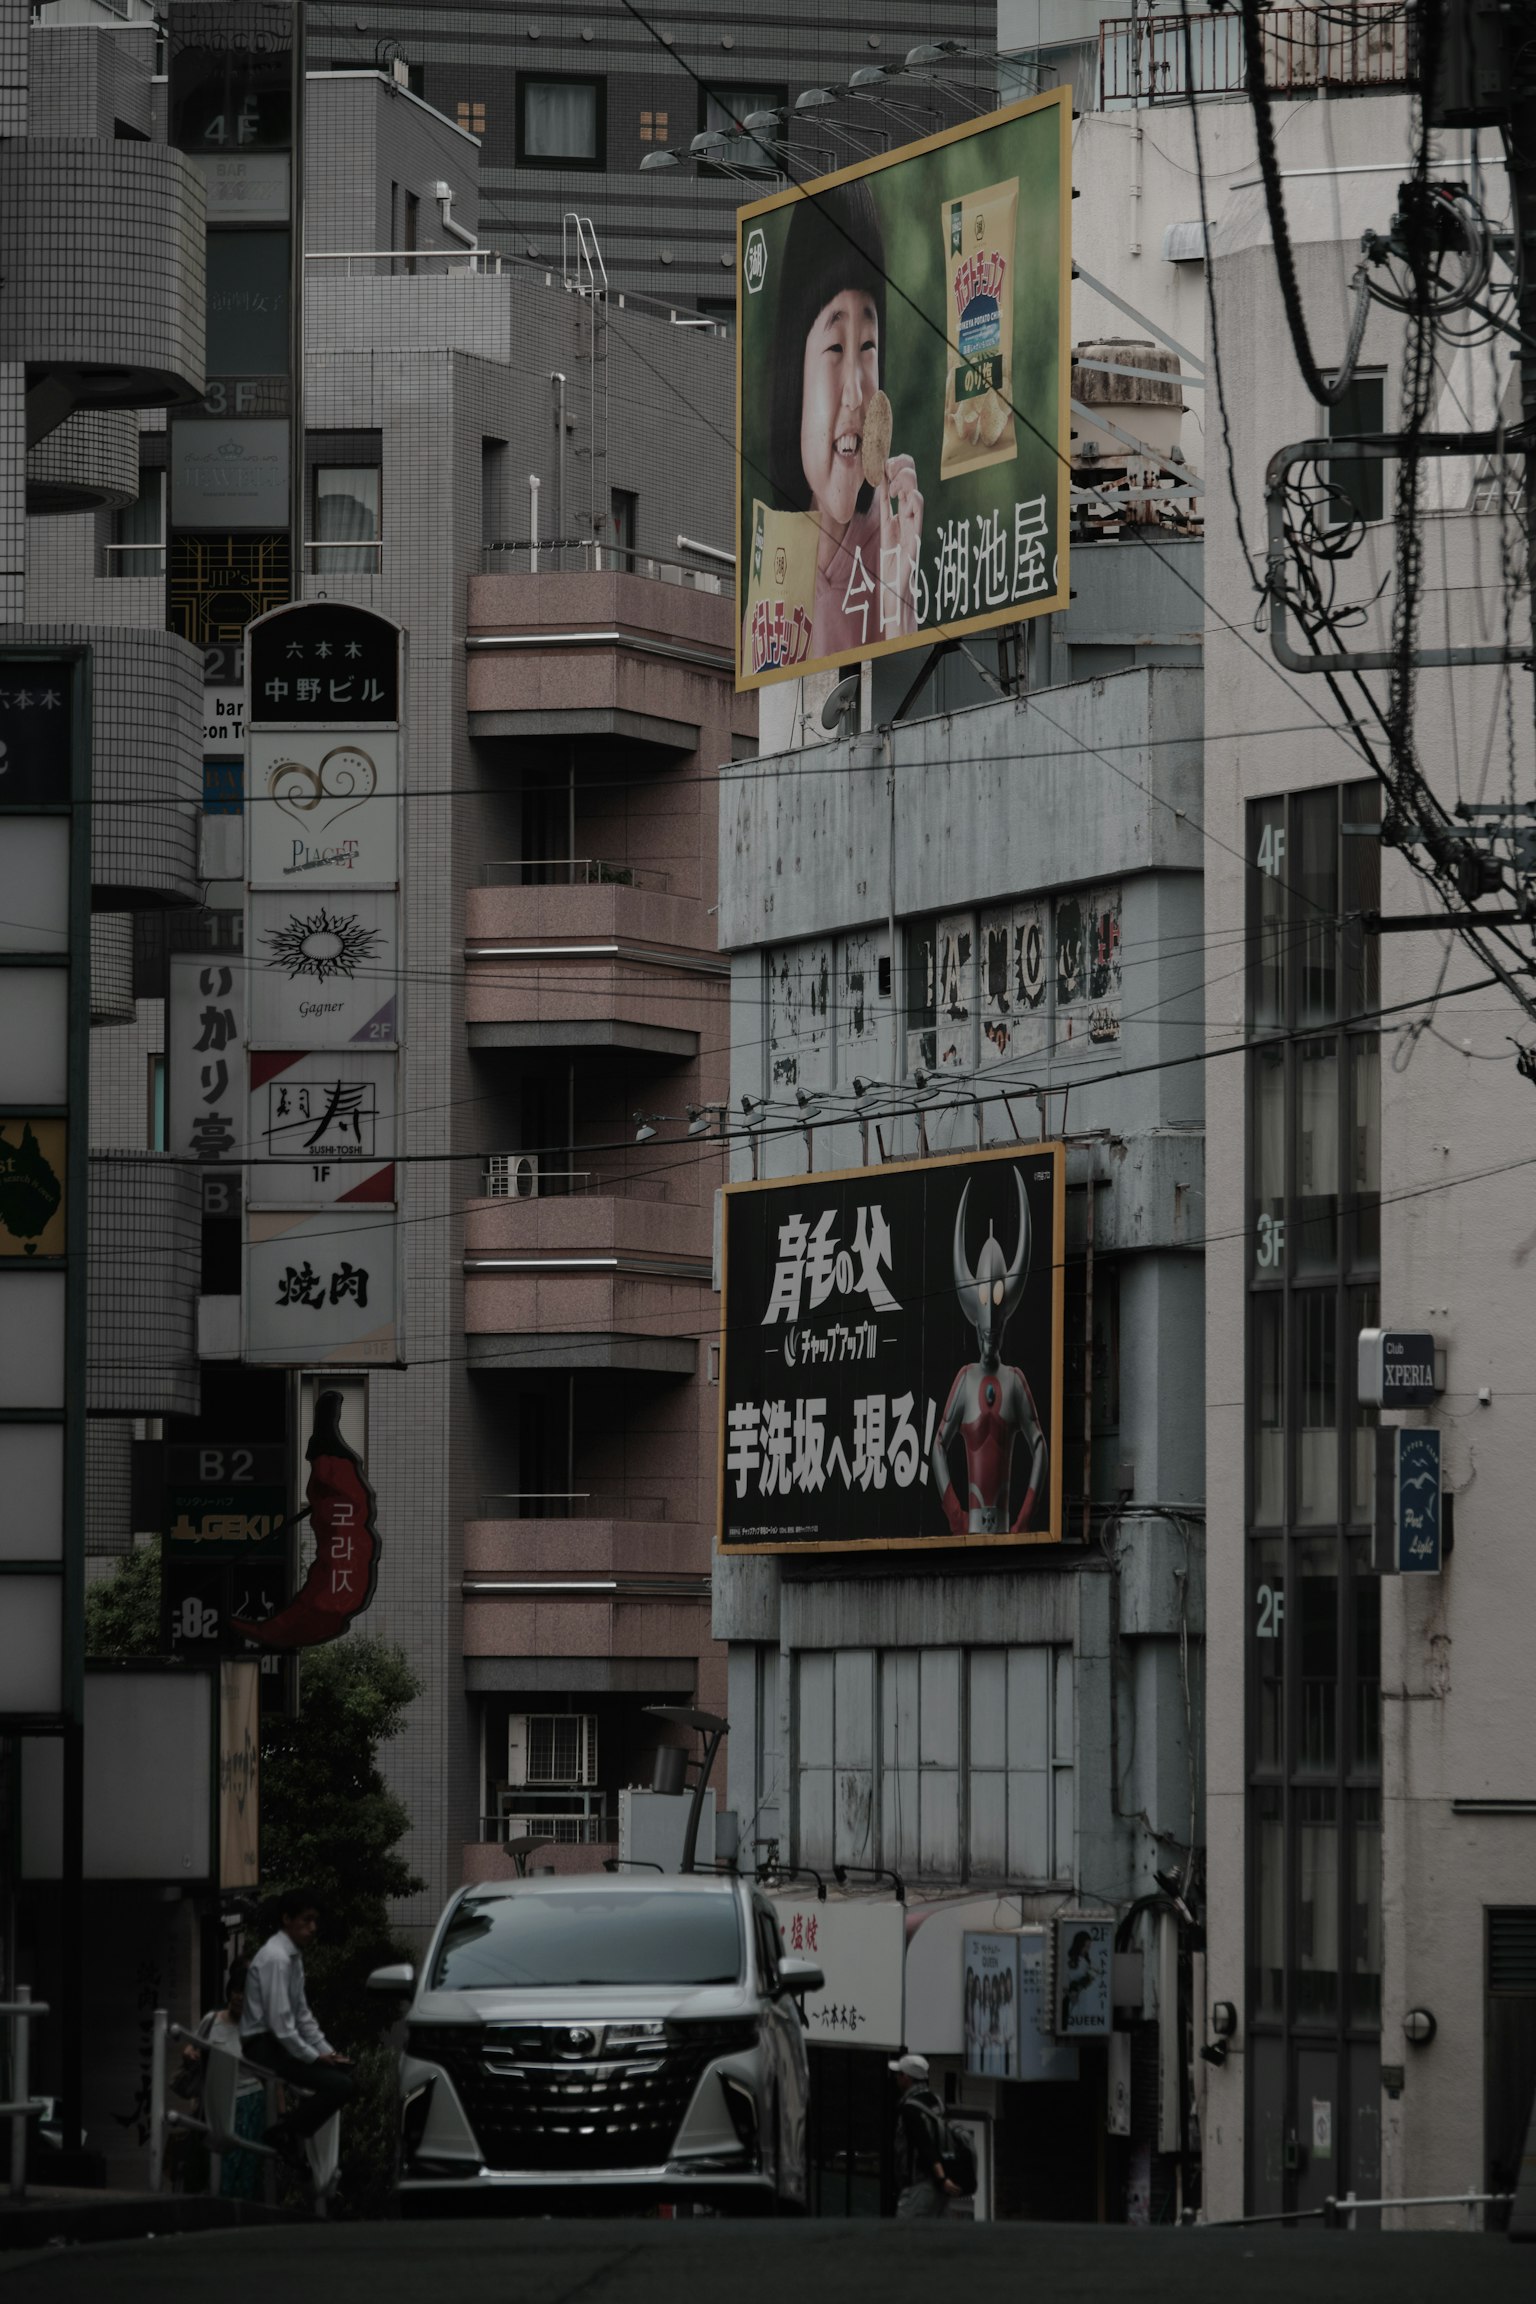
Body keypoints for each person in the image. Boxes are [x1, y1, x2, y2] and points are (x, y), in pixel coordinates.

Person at [759, 178, 925, 664]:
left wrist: (899, 585)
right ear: (796, 365)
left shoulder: (895, 539)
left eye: (869, 346)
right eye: (835, 347)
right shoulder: (775, 558)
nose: (856, 391)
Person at [240, 1888, 357, 2174]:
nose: (312, 1928)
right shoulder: (276, 1959)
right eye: (306, 1920)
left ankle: (294, 2139)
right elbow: (282, 2026)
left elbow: (303, 2017)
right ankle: (288, 2132)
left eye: (315, 1920)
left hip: (276, 2043)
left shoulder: (293, 1958)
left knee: (344, 2077)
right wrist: (315, 2058)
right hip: (262, 2045)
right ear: (287, 1919)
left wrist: (329, 2052)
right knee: (340, 2085)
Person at [188, 1959, 264, 2198]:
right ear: (230, 1992)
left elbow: (272, 2072)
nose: (240, 1997)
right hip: (218, 2100)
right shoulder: (212, 2021)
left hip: (250, 2099)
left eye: (246, 1993)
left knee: (246, 2163)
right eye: (237, 1991)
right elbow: (192, 2048)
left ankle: (240, 2213)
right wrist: (191, 2054)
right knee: (222, 2163)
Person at [889, 2051, 961, 2219]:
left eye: (899, 2074)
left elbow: (924, 2145)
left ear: (907, 2078)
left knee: (904, 2236)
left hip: (919, 2186)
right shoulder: (937, 2103)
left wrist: (940, 2177)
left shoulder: (911, 2109)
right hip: (941, 2189)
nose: (896, 2079)